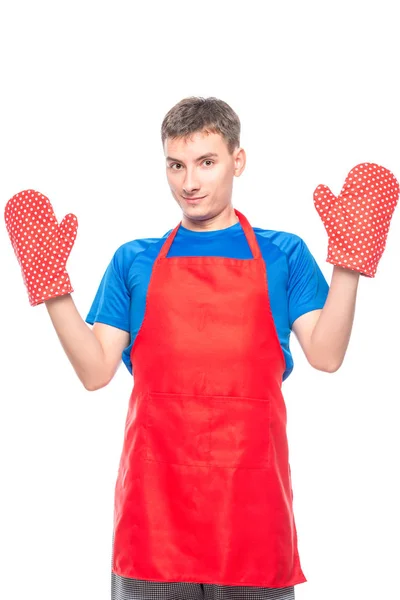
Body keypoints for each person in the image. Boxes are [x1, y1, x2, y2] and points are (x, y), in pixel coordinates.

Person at [4, 97, 399, 600]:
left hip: (252, 512)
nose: (188, 182)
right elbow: (94, 370)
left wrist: (349, 265)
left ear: (238, 160)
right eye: (176, 165)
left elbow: (326, 355)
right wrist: (53, 287)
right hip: (154, 516)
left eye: (206, 163)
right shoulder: (134, 260)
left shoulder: (283, 253)